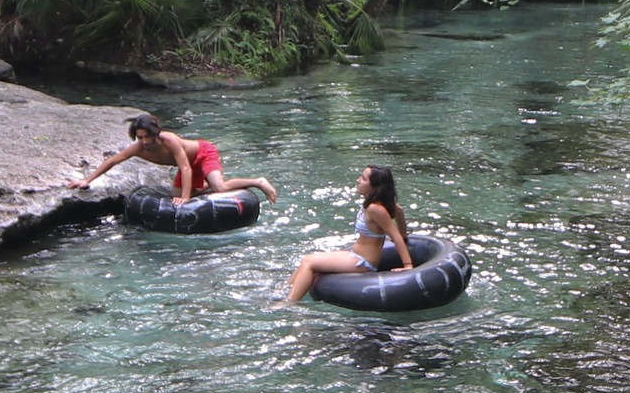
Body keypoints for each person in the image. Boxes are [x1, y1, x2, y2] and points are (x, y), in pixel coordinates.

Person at [280, 165, 415, 305]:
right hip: (355, 255)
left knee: (309, 262)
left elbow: (397, 236)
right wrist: (399, 213)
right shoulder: (372, 205)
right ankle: (281, 291)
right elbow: (402, 233)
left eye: (363, 179)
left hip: (363, 262)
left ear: (374, 186)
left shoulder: (376, 209)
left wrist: (407, 265)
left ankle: (288, 303)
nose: (358, 180)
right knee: (307, 261)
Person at [67, 114, 274, 203]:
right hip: (188, 166)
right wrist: (87, 180)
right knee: (176, 194)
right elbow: (112, 161)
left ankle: (258, 182)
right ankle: (202, 188)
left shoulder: (170, 140)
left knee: (219, 186)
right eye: (140, 137)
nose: (145, 141)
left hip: (203, 154)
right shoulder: (138, 148)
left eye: (148, 136)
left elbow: (185, 168)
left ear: (156, 133)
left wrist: (185, 198)